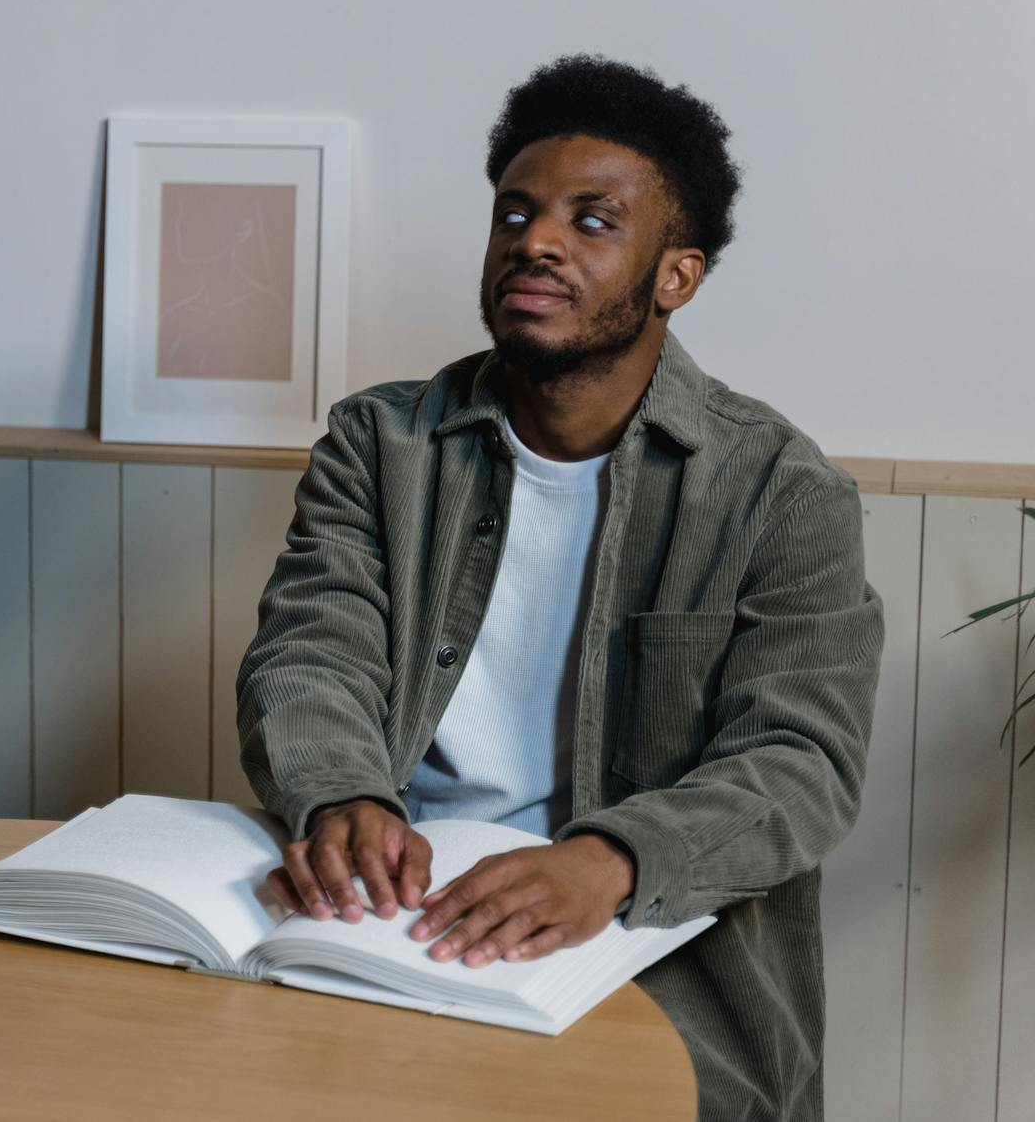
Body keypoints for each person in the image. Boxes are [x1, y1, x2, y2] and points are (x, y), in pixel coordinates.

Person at [236, 56, 881, 1122]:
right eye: (515, 212)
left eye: (591, 221)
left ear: (675, 275)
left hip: (645, 947)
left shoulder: (779, 489)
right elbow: (310, 650)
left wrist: (606, 862)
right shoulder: (377, 441)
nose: (533, 239)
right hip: (392, 914)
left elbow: (799, 760)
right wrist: (343, 793)